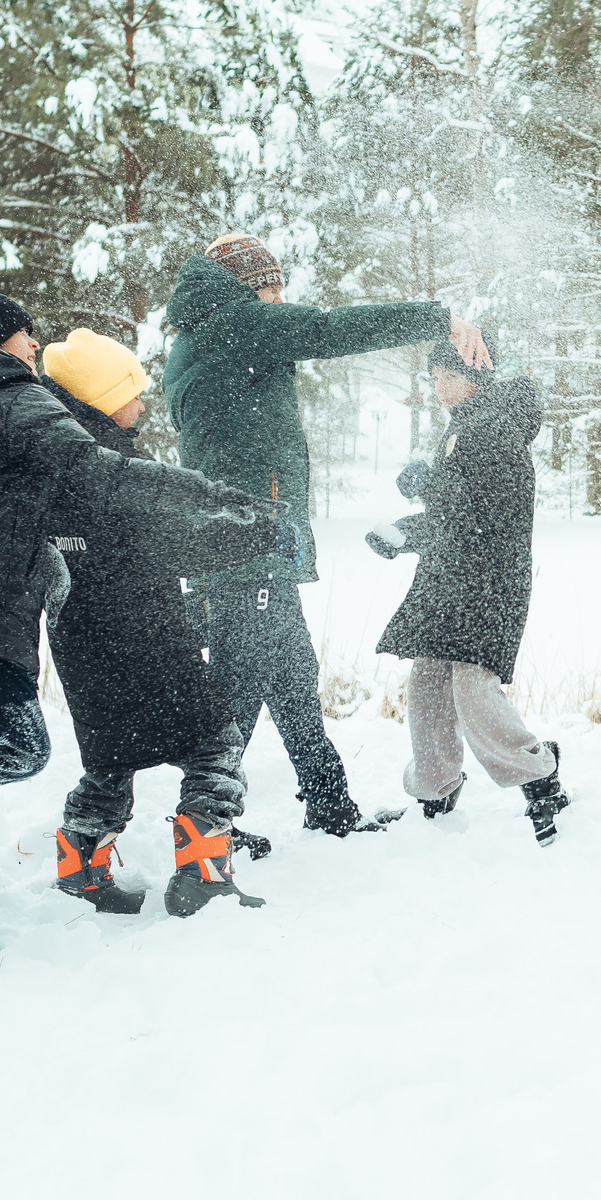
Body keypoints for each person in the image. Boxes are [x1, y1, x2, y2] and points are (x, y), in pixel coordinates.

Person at [0, 288, 284, 957]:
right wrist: (226, 505)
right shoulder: (16, 400)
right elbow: (110, 484)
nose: (34, 345)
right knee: (20, 749)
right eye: (20, 333)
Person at [162, 232, 489, 838]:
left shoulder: (210, 331)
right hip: (245, 545)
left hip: (246, 544)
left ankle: (328, 805)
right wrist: (436, 318)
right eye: (271, 288)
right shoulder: (232, 324)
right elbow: (328, 329)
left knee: (289, 676)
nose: (279, 301)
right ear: (244, 286)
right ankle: (203, 827)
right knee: (240, 684)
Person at [39, 328, 293, 916]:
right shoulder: (111, 466)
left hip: (78, 642)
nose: (144, 402)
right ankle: (203, 874)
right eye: (132, 390)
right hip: (145, 636)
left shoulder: (51, 462)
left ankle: (80, 870)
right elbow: (172, 546)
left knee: (110, 756)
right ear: (102, 397)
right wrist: (262, 532)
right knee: (214, 743)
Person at [368, 338, 569, 843]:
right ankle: (435, 789)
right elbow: (454, 514)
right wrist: (404, 534)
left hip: (487, 584)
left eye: (442, 376)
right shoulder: (467, 423)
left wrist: (427, 487)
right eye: (431, 377)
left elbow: (485, 514)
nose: (435, 387)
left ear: (473, 375)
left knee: (473, 690)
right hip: (451, 580)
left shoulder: (494, 425)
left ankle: (540, 776)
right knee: (429, 686)